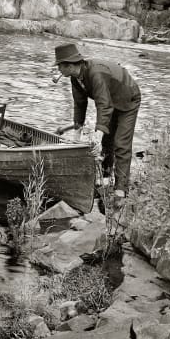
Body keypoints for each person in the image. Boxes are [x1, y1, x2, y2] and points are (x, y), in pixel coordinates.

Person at [53, 43, 141, 213]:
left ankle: (121, 191)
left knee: (120, 143)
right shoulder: (75, 78)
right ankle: (106, 180)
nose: (58, 69)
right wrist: (76, 138)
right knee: (108, 141)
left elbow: (104, 105)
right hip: (111, 101)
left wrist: (97, 135)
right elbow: (80, 105)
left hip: (128, 99)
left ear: (70, 65)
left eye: (59, 65)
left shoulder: (95, 73)